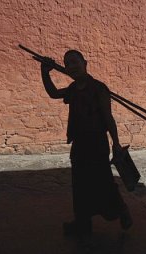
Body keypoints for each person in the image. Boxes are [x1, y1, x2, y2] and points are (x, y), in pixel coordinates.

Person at [40, 50, 132, 236]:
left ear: (85, 63)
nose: (71, 66)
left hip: (97, 144)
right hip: (79, 143)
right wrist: (45, 72)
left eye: (75, 62)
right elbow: (53, 93)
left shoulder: (99, 88)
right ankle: (83, 222)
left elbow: (108, 118)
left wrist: (116, 143)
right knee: (80, 183)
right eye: (67, 64)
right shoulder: (73, 89)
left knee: (103, 182)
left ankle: (121, 210)